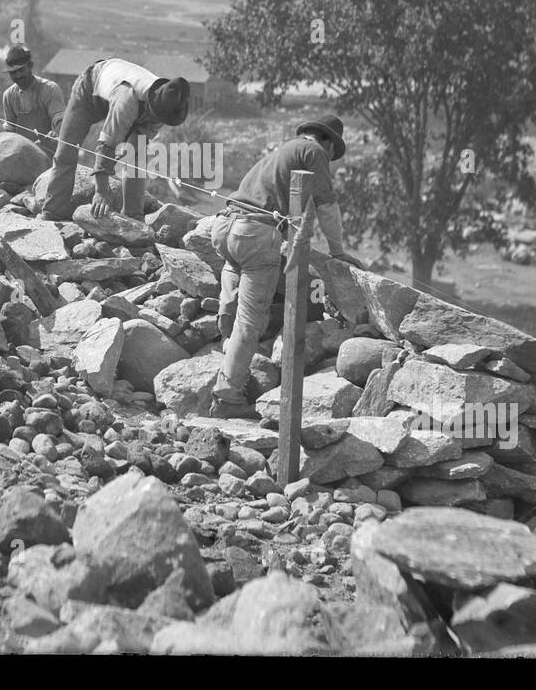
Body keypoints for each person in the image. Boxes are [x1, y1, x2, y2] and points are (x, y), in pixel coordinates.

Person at [206, 115, 365, 420]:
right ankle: (227, 398)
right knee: (251, 322)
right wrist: (338, 251)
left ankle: (225, 346)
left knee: (233, 290)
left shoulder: (281, 153)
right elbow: (327, 206)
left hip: (225, 226)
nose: (329, 161)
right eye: (333, 155)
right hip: (254, 233)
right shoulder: (315, 152)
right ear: (328, 142)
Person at [41, 57, 190, 221]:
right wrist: (101, 190)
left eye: (162, 118)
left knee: (136, 157)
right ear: (151, 103)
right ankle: (53, 212)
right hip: (90, 90)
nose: (158, 121)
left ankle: (133, 216)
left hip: (126, 99)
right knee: (67, 150)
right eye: (157, 116)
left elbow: (134, 149)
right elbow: (106, 146)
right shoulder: (127, 100)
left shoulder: (168, 107)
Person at [0, 44, 65, 157]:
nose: (18, 75)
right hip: (23, 158)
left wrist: (57, 133)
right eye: (13, 73)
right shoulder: (8, 96)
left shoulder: (49, 89)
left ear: (31, 66)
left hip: (50, 156)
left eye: (21, 70)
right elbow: (10, 132)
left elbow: (59, 120)